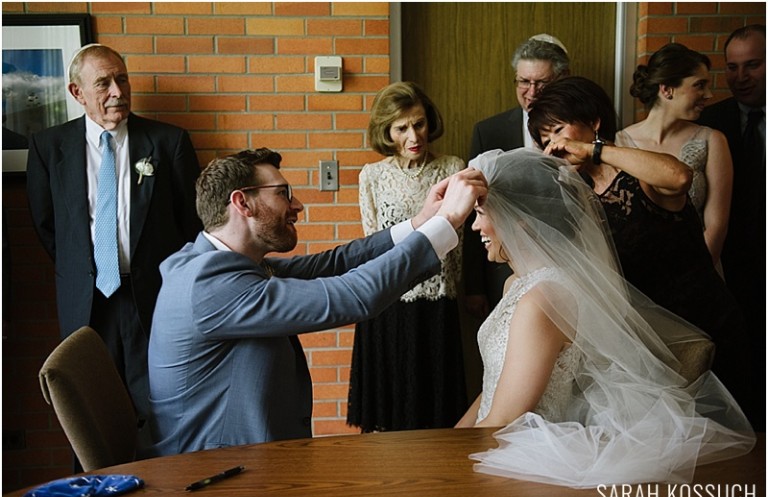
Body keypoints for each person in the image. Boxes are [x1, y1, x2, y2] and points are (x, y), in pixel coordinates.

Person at [146, 148, 486, 456]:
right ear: (242, 203)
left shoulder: (211, 262)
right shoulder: (212, 285)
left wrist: (420, 223)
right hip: (214, 474)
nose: (297, 206)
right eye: (283, 194)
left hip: (246, 456)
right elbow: (354, 295)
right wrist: (448, 222)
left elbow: (334, 264)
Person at [456, 147, 755, 488]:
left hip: (522, 459)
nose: (476, 225)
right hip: (491, 439)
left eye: (482, 213)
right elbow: (494, 388)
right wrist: (447, 439)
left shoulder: (542, 300)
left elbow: (507, 417)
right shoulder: (517, 285)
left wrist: (447, 461)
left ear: (517, 217)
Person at [527, 76, 754, 427]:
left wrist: (594, 151)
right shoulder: (574, 195)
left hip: (708, 321)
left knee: (739, 441)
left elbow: (680, 178)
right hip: (652, 344)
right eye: (545, 140)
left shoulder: (636, 170)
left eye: (558, 131)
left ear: (594, 122)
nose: (554, 145)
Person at [26, 44, 201, 423]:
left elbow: (192, 224)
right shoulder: (48, 147)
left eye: (121, 79)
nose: (117, 92)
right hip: (86, 303)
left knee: (160, 410)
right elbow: (48, 225)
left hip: (154, 297)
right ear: (77, 93)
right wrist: (84, 268)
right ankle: (93, 483)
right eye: (103, 83)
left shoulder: (168, 143)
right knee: (89, 411)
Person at [347, 82, 467, 432]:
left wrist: (452, 288)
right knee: (388, 413)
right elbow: (373, 243)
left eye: (419, 123)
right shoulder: (372, 176)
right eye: (401, 128)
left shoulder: (453, 167)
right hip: (386, 302)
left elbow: (458, 246)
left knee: (435, 410)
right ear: (387, 132)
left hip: (436, 301)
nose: (414, 135)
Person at [463, 34, 570, 321]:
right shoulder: (489, 131)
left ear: (561, 80)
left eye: (541, 83)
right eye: (524, 81)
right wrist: (474, 286)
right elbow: (474, 207)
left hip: (566, 266)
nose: (531, 91)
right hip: (500, 268)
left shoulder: (576, 131)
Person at [699, 24, 765, 430]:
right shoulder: (712, 121)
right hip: (732, 270)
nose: (740, 77)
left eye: (753, 65)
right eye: (733, 67)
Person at [618, 43, 733, 270]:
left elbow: (716, 226)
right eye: (699, 85)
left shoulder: (712, 140)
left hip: (699, 271)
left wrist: (693, 280)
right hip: (639, 275)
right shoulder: (620, 142)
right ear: (667, 89)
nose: (708, 95)